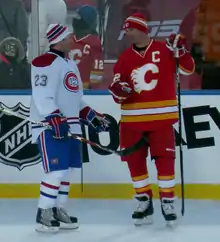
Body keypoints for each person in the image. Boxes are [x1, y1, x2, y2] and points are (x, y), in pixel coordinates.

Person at [108, 13, 195, 226]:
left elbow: (188, 68)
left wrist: (181, 50)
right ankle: (144, 201)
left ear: (141, 29)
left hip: (161, 120)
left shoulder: (166, 50)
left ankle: (167, 202)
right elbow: (117, 90)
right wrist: (119, 91)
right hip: (132, 122)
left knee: (165, 163)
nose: (127, 32)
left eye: (130, 28)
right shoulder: (124, 58)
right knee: (135, 164)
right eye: (126, 28)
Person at [30, 23, 109, 233]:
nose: (71, 40)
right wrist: (53, 116)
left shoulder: (69, 63)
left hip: (71, 127)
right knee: (55, 171)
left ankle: (58, 210)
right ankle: (43, 213)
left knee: (68, 171)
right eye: (67, 37)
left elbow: (75, 98)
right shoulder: (43, 62)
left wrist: (90, 115)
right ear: (59, 40)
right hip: (50, 127)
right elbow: (41, 94)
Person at [69, 5, 104, 89]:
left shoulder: (67, 40)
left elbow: (96, 72)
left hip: (83, 91)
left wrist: (92, 91)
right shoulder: (93, 42)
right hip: (71, 89)